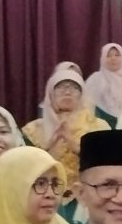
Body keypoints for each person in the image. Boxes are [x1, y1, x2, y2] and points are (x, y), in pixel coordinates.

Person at [21, 66, 109, 203]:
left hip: (87, 198)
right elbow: (23, 169)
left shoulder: (98, 126)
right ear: (51, 93)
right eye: (61, 87)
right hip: (43, 197)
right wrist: (48, 146)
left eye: (74, 87)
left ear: (82, 94)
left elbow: (106, 164)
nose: (67, 91)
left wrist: (75, 145)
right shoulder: (34, 129)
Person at [83, 42, 122, 127]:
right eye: (108, 56)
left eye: (117, 55)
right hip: (101, 126)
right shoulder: (95, 79)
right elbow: (86, 104)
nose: (113, 59)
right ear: (103, 58)